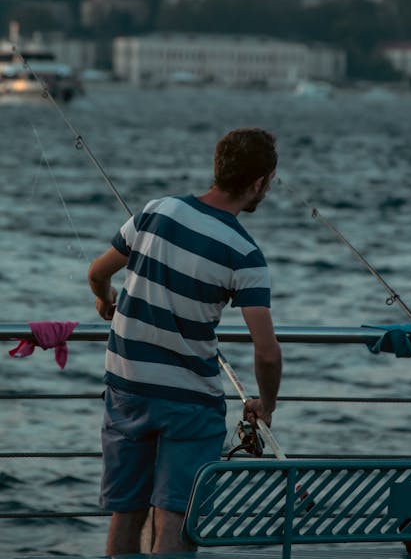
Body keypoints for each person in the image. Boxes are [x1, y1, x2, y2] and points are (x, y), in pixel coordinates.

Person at [87, 127, 282, 556]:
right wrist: (265, 405)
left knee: (127, 515)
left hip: (128, 389)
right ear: (257, 183)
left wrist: (107, 302)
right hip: (190, 404)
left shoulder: (156, 210)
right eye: (270, 182)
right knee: (174, 520)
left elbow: (98, 273)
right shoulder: (245, 254)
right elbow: (266, 351)